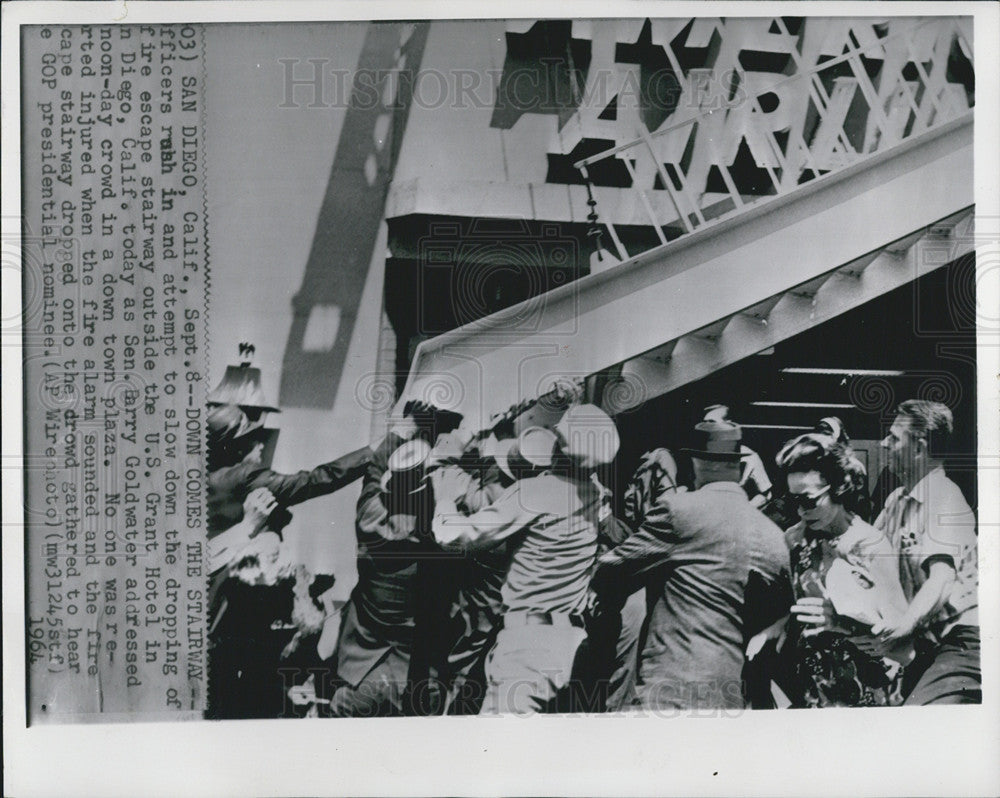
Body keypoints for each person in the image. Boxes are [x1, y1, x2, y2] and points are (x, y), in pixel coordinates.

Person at [429, 404, 619, 714]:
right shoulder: (595, 495)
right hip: (571, 646)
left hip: (528, 648)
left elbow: (455, 537)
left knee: (499, 752)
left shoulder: (532, 493)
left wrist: (444, 499)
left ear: (557, 444)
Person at [592, 417, 790, 711]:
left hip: (668, 689)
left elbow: (611, 572)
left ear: (697, 463)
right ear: (739, 467)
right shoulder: (773, 535)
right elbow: (776, 615)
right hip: (729, 697)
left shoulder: (678, 511)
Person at [772, 433, 910, 707]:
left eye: (809, 501)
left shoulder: (870, 544)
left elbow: (903, 646)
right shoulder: (794, 539)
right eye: (792, 500)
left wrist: (842, 623)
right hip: (811, 690)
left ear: (837, 488)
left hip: (866, 693)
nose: (800, 511)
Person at [874, 400, 980, 705]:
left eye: (894, 438)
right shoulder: (896, 501)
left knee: (918, 719)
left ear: (919, 448)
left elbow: (942, 578)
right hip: (925, 642)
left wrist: (904, 624)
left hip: (963, 641)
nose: (883, 444)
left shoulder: (944, 496)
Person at [703, 404, 772, 508]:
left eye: (712, 422)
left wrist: (744, 510)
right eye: (704, 423)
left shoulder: (748, 456)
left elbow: (765, 493)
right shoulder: (699, 454)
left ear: (728, 425)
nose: (706, 428)